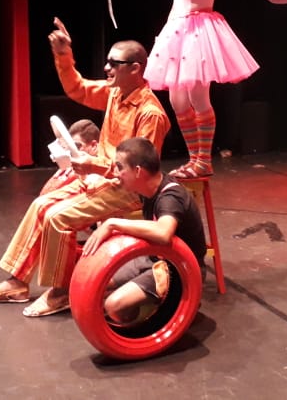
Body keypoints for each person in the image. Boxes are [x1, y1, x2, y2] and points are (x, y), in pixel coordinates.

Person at [0, 17, 171, 317]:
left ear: (135, 69)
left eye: (114, 63)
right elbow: (77, 88)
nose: (106, 68)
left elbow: (140, 172)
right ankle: (17, 282)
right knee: (41, 205)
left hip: (128, 190)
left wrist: (94, 166)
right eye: (107, 62)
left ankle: (62, 291)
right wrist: (64, 55)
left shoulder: (150, 113)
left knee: (58, 218)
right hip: (102, 179)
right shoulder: (115, 93)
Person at [104, 0, 259, 179]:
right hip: (178, 33)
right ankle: (193, 158)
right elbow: (177, 1)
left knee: (198, 96)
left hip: (199, 33)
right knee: (177, 101)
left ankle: (204, 160)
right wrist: (164, 36)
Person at [81, 137, 207, 325]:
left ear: (138, 171)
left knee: (113, 305)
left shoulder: (171, 197)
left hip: (181, 270)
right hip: (155, 258)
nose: (116, 172)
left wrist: (113, 224)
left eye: (120, 167)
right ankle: (146, 306)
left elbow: (163, 233)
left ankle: (155, 321)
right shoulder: (147, 190)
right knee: (98, 284)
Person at [38, 118, 100, 196]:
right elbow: (43, 196)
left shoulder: (105, 174)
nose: (71, 152)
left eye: (77, 146)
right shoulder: (71, 169)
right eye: (70, 147)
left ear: (94, 146)